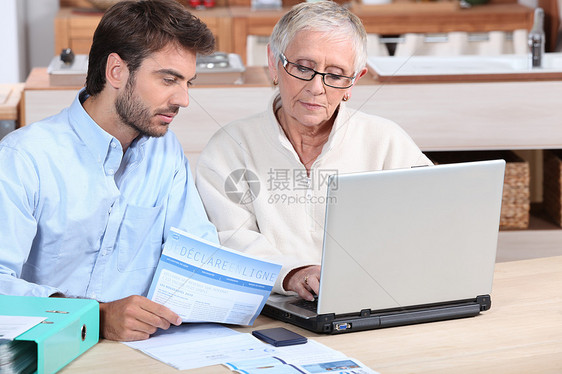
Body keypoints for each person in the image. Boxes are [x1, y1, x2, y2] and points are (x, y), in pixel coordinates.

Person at [0, 0, 217, 341]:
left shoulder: (166, 152)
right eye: (169, 79)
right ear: (116, 71)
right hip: (53, 344)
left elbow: (196, 251)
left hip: (148, 350)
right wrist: (95, 317)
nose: (183, 99)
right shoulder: (23, 158)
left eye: (188, 82)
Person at [196, 1, 432, 302]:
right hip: (264, 307)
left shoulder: (386, 141)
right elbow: (227, 237)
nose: (317, 88)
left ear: (353, 82)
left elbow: (426, 224)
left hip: (368, 301)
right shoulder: (229, 146)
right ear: (274, 63)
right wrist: (293, 273)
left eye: (335, 75)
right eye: (304, 68)